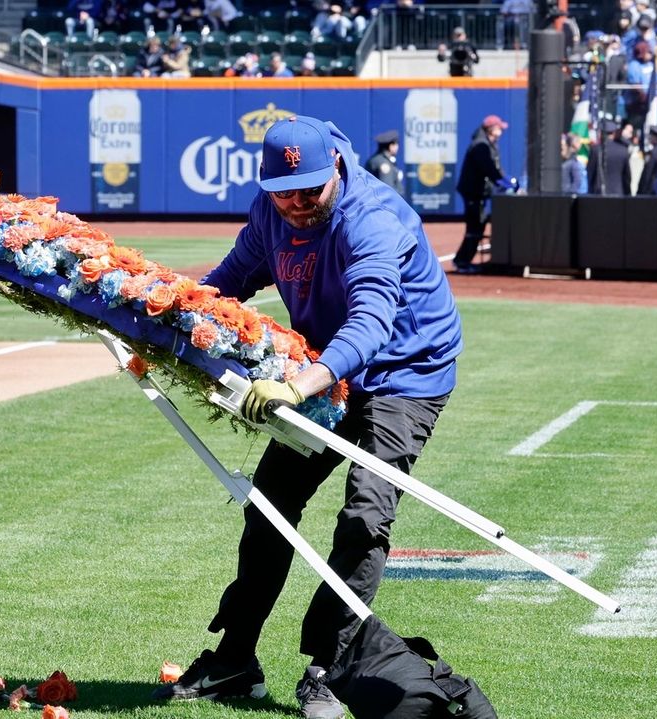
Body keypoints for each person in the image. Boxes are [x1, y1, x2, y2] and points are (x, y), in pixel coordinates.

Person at [153, 114, 465, 719]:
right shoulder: (272, 210)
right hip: (325, 368)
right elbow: (228, 284)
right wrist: (165, 321)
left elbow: (372, 323)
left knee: (364, 516)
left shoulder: (374, 219)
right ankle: (236, 659)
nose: (295, 204)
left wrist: (298, 387)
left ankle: (330, 665)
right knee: (270, 500)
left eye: (309, 191)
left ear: (337, 173)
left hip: (405, 374)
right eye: (283, 193)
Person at [452, 114, 508, 273]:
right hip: (472, 193)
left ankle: (463, 260)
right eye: (499, 128)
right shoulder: (481, 145)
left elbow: (496, 169)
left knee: (478, 225)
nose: (501, 132)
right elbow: (489, 169)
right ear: (491, 129)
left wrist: (504, 180)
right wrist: (502, 182)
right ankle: (462, 262)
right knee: (474, 227)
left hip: (479, 193)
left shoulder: (489, 144)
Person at [587, 119, 634, 196]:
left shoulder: (595, 150)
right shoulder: (623, 151)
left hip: (598, 195)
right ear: (614, 133)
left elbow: (590, 174)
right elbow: (627, 178)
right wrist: (628, 194)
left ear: (601, 133)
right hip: (618, 195)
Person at [365, 129, 405, 197]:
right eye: (396, 144)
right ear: (391, 146)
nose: (397, 147)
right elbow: (387, 191)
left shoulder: (377, 159)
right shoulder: (383, 163)